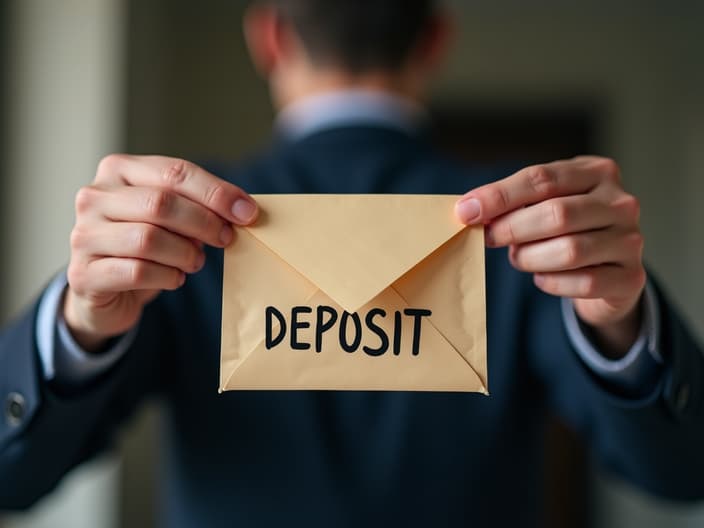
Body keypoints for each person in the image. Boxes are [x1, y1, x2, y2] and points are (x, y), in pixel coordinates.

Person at [1, 0, 702, 526]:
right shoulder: (532, 237)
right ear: (435, 41)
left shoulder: (171, 231)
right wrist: (625, 328)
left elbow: (12, 479)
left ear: (268, 37)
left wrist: (77, 324)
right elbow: (683, 470)